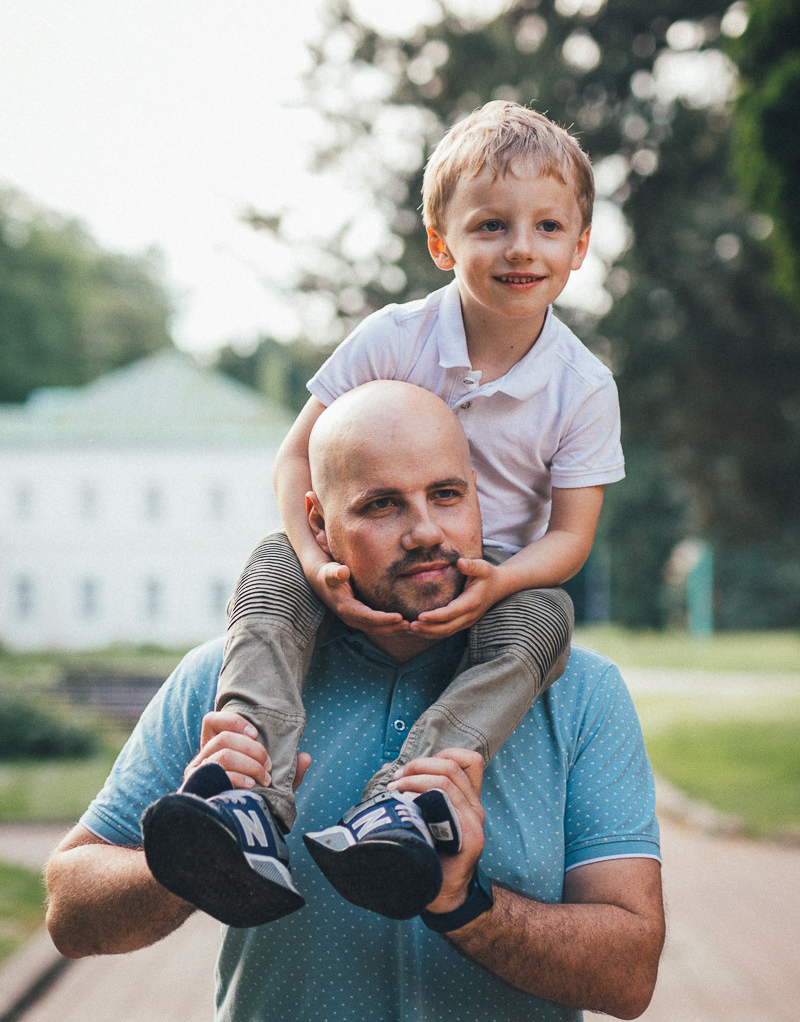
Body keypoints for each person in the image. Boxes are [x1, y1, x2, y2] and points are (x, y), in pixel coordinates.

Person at [45, 383, 664, 1022]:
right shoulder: (220, 679)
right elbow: (70, 915)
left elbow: (629, 977)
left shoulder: (582, 693)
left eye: (447, 495)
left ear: (478, 492)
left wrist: (463, 905)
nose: (426, 531)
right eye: (382, 505)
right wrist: (189, 859)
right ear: (317, 523)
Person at [182, 101, 624, 923]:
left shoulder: (584, 387)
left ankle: (404, 802)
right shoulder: (394, 338)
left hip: (495, 583)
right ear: (442, 242)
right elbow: (292, 461)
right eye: (491, 225)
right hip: (370, 568)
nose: (521, 247)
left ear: (580, 246)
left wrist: (500, 583)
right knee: (272, 565)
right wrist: (316, 559)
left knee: (546, 617)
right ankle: (247, 794)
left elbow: (571, 535)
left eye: (548, 226)